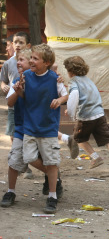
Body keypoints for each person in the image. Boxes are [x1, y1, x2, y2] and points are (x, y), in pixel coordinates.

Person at [8, 44, 68, 213]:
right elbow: (24, 97)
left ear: (46, 62)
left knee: (51, 161)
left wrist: (59, 100)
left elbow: (65, 94)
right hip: (29, 128)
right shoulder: (26, 76)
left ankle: (52, 197)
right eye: (31, 58)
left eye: (35, 58)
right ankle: (52, 177)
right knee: (29, 158)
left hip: (48, 129)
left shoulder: (54, 78)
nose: (31, 61)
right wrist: (18, 91)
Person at [0, 49, 53, 207]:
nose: (18, 62)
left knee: (42, 159)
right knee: (14, 159)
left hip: (39, 128)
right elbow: (10, 103)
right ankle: (11, 191)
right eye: (18, 59)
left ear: (32, 62)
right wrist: (17, 90)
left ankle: (53, 179)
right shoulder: (17, 79)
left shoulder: (40, 80)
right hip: (21, 127)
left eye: (22, 59)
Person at [63, 56, 109, 176]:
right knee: (108, 140)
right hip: (99, 114)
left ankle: (95, 157)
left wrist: (71, 112)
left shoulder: (73, 82)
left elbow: (74, 95)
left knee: (78, 138)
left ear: (70, 71)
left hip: (86, 117)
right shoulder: (89, 80)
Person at [0, 32, 31, 144]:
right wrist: (4, 86)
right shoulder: (8, 63)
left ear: (28, 45)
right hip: (13, 103)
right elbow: (3, 80)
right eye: (15, 42)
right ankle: (16, 152)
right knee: (13, 133)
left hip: (29, 103)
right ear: (12, 44)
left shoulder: (32, 62)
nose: (17, 45)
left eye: (21, 42)